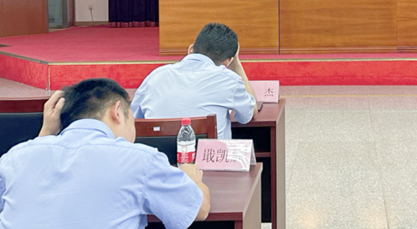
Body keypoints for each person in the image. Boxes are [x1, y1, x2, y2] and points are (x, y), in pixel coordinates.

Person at [0, 78, 210, 229]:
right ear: (117, 111)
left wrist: (46, 133)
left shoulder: (14, 158)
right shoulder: (140, 159)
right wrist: (193, 180)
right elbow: (198, 210)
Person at [131, 23, 258, 139]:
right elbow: (248, 114)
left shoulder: (156, 75)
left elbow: (134, 117)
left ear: (191, 49)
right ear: (228, 61)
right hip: (208, 156)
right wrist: (236, 62)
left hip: (160, 155)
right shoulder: (229, 80)